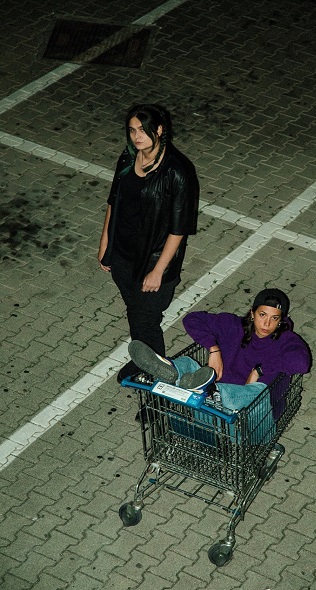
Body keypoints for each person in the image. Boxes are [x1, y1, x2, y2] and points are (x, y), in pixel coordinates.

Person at [98, 103, 199, 383]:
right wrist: (105, 242)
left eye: (143, 130)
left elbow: (179, 230)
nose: (137, 137)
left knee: (146, 320)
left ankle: (161, 377)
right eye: (132, 130)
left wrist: (158, 271)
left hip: (153, 262)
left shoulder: (177, 172)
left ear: (160, 130)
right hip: (123, 255)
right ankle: (143, 362)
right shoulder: (128, 158)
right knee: (136, 313)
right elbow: (113, 201)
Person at [128, 288, 311, 419]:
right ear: (252, 313)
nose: (266, 324)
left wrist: (259, 371)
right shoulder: (232, 325)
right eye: (262, 315)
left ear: (281, 321)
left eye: (274, 318)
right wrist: (213, 349)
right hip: (211, 408)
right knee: (188, 363)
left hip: (253, 415)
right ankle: (171, 370)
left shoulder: (286, 340)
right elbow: (192, 319)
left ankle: (209, 391)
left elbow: (302, 363)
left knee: (256, 391)